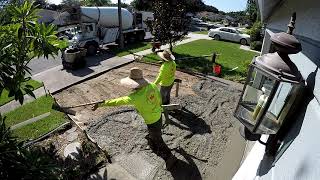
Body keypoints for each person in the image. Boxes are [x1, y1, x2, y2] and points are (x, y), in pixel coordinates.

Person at [91, 67, 176, 169]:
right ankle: (154, 136)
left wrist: (102, 104)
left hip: (151, 120)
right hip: (158, 114)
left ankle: (170, 157)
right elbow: (159, 99)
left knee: (158, 140)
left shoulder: (135, 97)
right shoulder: (152, 85)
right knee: (155, 131)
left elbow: (118, 101)